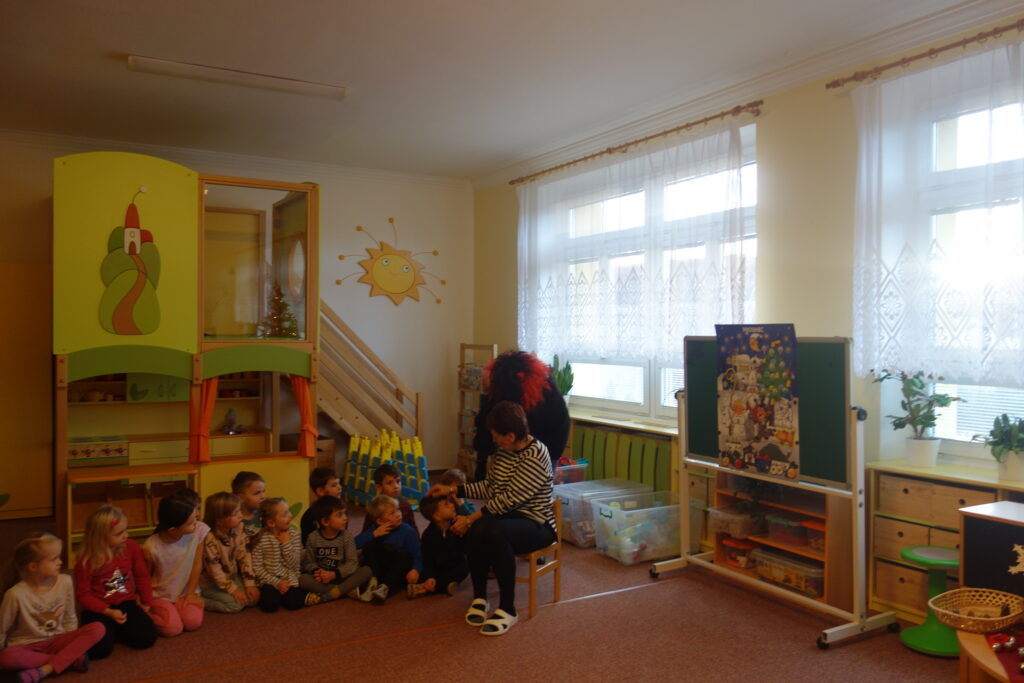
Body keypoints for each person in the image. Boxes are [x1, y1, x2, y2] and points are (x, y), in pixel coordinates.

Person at [433, 400, 555, 636]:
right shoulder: (504, 452)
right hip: (508, 517)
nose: (494, 440)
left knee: (493, 531)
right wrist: (453, 490)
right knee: (479, 529)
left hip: (536, 523)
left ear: (511, 435)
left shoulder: (536, 454)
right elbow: (490, 487)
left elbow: (510, 499)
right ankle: (480, 598)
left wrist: (470, 518)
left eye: (497, 436)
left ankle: (508, 608)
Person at [0, 533, 103, 682]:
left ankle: (45, 670)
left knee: (98, 628)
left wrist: (69, 642)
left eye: (59, 557)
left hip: (58, 640)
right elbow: (2, 629)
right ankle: (69, 660)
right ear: (33, 566)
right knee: (6, 657)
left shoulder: (65, 581)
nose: (60, 562)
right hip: (27, 645)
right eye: (54, 559)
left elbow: (69, 618)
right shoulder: (15, 594)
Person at [73, 504, 158, 658]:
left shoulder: (131, 547)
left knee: (147, 637)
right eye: (119, 533)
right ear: (100, 537)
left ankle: (115, 630)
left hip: (125, 602)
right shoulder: (86, 560)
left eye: (126, 530)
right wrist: (108, 612)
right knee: (99, 651)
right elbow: (83, 595)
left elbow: (142, 576)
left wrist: (147, 602)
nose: (126, 535)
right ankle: (112, 631)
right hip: (99, 608)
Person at [472, 350, 570, 481]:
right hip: (542, 440)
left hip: (548, 442)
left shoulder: (536, 398)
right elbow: (487, 420)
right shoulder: (505, 391)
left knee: (530, 484)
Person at [142, 492, 205, 637]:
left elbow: (196, 564)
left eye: (195, 519)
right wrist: (145, 601)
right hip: (160, 595)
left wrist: (191, 593)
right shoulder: (151, 546)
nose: (196, 524)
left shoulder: (195, 534)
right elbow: (145, 576)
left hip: (184, 592)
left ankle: (175, 610)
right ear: (173, 529)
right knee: (173, 629)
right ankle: (153, 614)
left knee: (192, 622)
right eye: (191, 523)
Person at [299, 496, 376, 602]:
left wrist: (334, 574)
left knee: (367, 570)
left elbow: (352, 563)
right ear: (325, 521)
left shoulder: (346, 537)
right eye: (339, 515)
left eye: (345, 513)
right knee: (303, 579)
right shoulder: (312, 538)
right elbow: (308, 563)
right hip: (323, 579)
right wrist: (317, 572)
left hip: (342, 576)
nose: (345, 518)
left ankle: (330, 593)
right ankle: (344, 591)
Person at [250, 498, 319, 612]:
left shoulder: (294, 535)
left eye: (289, 512)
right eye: (285, 514)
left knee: (294, 603)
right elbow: (257, 567)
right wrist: (276, 582)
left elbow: (295, 564)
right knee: (269, 605)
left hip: (289, 578)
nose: (290, 515)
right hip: (269, 580)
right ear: (271, 523)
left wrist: (286, 544)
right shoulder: (261, 539)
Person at [354, 495, 423, 604]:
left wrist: (416, 570)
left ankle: (384, 587)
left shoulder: (408, 531)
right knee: (369, 545)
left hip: (397, 572)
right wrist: (373, 534)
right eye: (392, 513)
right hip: (379, 570)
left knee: (404, 555)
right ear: (380, 521)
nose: (398, 514)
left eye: (398, 510)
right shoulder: (376, 529)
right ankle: (373, 583)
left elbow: (418, 554)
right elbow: (355, 543)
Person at [199, 492, 259, 613]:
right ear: (219, 520)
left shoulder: (239, 527)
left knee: (251, 599)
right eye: (235, 513)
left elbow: (244, 555)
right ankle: (201, 600)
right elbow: (214, 570)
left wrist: (249, 583)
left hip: (230, 576)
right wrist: (233, 590)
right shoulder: (209, 538)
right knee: (235, 605)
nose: (241, 515)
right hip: (210, 583)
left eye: (239, 511)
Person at [407, 493, 468, 599]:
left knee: (466, 567)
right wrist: (431, 576)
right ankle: (444, 585)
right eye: (447, 505)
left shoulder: (458, 526)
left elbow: (462, 552)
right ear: (437, 516)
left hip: (454, 565)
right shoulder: (428, 535)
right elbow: (427, 559)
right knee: (420, 572)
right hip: (436, 568)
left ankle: (426, 587)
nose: (452, 505)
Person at [359, 463, 417, 533]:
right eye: (389, 483)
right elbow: (365, 534)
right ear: (379, 487)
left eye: (398, 481)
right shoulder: (374, 510)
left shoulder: (406, 506)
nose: (396, 486)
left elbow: (414, 530)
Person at [300, 468, 342, 545]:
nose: (339, 488)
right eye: (334, 485)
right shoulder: (309, 517)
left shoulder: (341, 509)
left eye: (339, 483)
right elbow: (308, 545)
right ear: (320, 491)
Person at [230, 471, 266, 541]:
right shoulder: (234, 520)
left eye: (263, 491)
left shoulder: (264, 512)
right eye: (257, 493)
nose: (263, 496)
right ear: (240, 497)